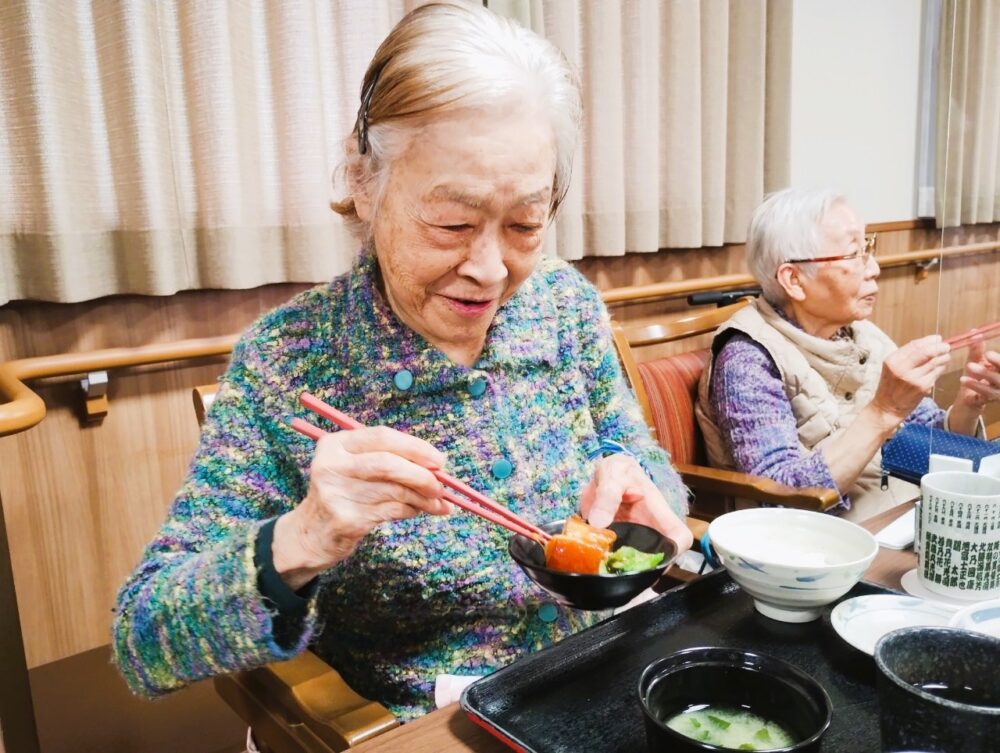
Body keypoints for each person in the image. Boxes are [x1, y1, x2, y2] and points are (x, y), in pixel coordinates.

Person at [112, 1, 692, 722]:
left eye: (523, 223)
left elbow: (640, 465)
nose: (487, 268)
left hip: (596, 678)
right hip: (430, 724)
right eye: (451, 222)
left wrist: (647, 492)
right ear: (365, 182)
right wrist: (304, 536)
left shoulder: (563, 305)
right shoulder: (290, 363)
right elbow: (144, 638)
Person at [695, 187, 1000, 521]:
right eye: (854, 255)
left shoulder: (862, 333)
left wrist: (967, 407)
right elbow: (781, 496)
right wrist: (884, 410)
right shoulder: (748, 357)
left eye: (868, 248)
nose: (874, 269)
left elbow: (925, 438)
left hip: (902, 513)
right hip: (830, 541)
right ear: (794, 280)